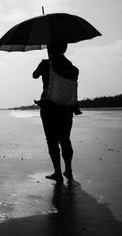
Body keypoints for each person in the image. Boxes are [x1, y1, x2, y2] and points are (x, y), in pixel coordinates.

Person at [33, 43, 78, 182]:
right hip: (66, 108)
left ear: (49, 49)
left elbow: (34, 75)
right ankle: (68, 171)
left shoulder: (45, 64)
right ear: (64, 49)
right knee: (65, 138)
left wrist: (45, 64)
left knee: (52, 140)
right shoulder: (70, 66)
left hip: (49, 107)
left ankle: (58, 173)